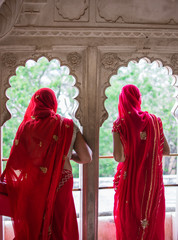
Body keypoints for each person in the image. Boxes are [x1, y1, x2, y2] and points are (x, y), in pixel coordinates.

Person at [0, 88, 92, 240]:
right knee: (61, 223)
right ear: (53, 103)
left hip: (35, 183)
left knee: (36, 222)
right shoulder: (68, 126)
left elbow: (16, 165)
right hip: (62, 182)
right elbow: (86, 157)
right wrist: (67, 156)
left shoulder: (26, 128)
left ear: (35, 104)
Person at [112, 84, 170, 240]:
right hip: (152, 181)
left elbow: (119, 157)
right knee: (151, 218)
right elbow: (166, 151)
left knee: (129, 219)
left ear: (122, 100)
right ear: (139, 99)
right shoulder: (155, 121)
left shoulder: (120, 123)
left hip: (130, 180)